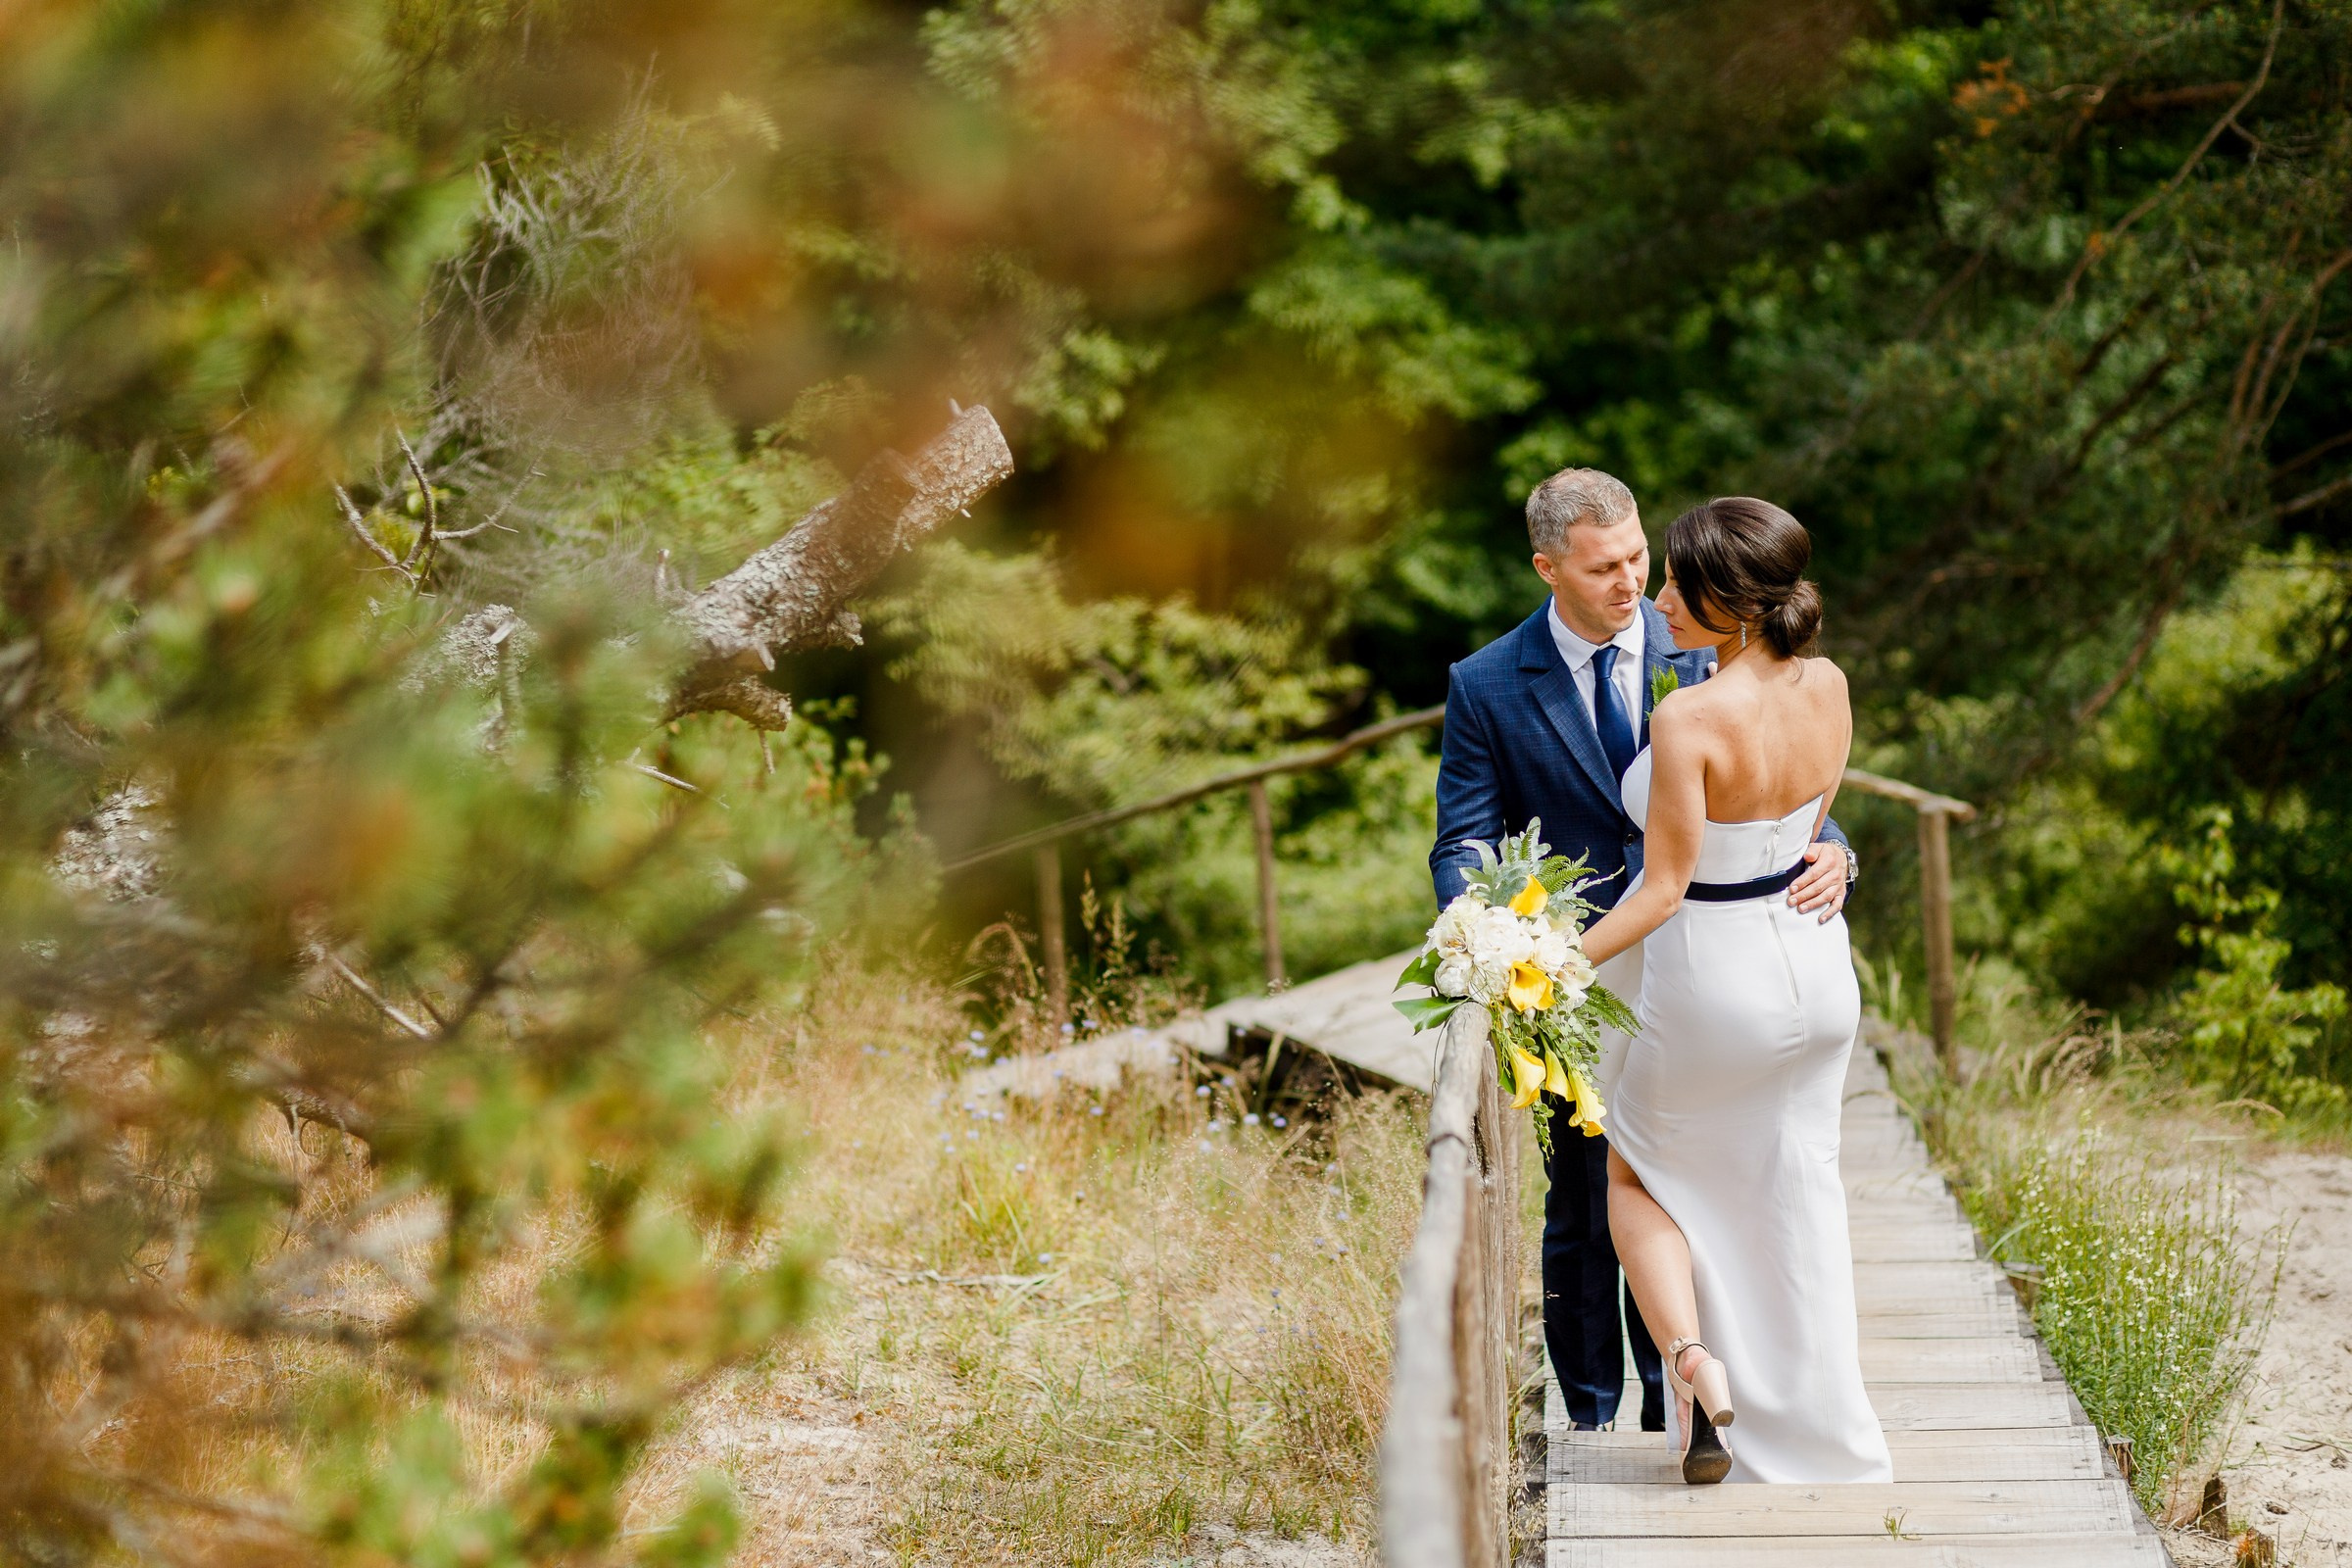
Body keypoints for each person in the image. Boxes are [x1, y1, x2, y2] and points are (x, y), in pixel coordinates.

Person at [1430, 471, 1854, 1436]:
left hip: (1706, 965)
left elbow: (1784, 786)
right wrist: (1493, 944)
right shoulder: (1486, 684)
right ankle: (1588, 1422)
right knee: (1582, 1202)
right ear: (1549, 567)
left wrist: (1837, 849)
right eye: (1605, 567)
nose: (1633, 585)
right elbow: (1463, 839)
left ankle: (1685, 1415)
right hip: (1580, 976)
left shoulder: (1705, 629)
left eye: (1638, 559)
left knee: (1690, 1184)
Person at [1577, 496, 1893, 1485]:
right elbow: (1803, 837)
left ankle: (1694, 1360)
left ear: (1733, 601)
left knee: (1635, 1175)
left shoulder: (1688, 719)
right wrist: (1834, 865)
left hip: (1717, 978)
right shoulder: (1830, 685)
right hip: (1816, 968)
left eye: (1678, 581)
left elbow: (1665, 890)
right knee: (1793, 1188)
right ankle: (1823, 1426)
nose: (1660, 597)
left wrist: (1540, 964)